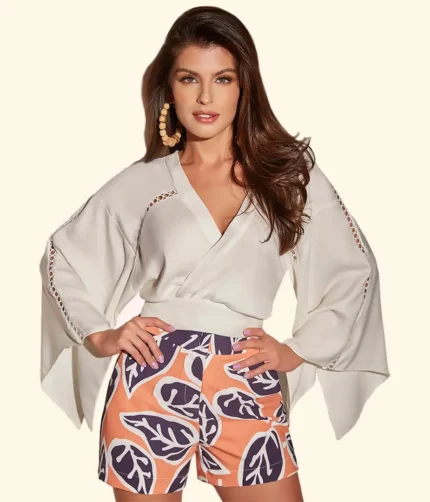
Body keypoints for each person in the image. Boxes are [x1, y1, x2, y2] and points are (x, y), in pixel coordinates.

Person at [39, 6, 390, 502]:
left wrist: (296, 350)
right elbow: (63, 258)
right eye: (189, 79)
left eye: (222, 79)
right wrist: (101, 334)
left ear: (244, 87)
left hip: (245, 374)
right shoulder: (143, 183)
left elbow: (354, 271)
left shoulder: (288, 176)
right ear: (170, 88)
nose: (206, 97)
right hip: (150, 375)